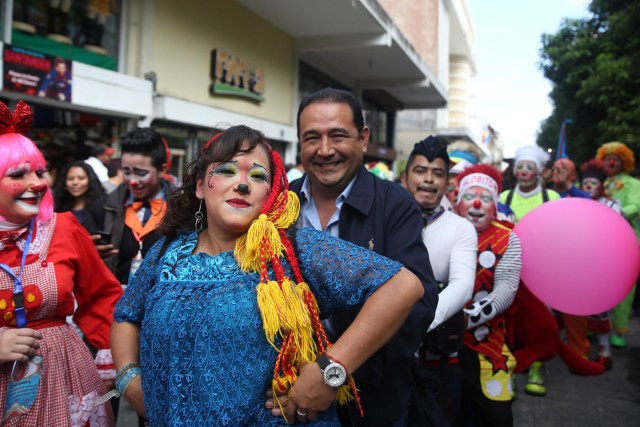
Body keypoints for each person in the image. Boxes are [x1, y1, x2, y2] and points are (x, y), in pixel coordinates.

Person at [110, 125, 425, 426]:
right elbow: (126, 314)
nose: (243, 183)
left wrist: (330, 372)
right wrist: (128, 379)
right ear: (199, 186)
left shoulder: (292, 250)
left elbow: (403, 286)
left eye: (257, 176)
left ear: (271, 194)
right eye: (227, 171)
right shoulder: (167, 251)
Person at [288, 88, 438, 427]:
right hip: (288, 395)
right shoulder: (280, 202)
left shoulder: (394, 204)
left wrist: (334, 373)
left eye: (338, 136)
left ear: (363, 137)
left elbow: (418, 303)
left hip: (372, 400)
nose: (325, 150)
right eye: (312, 138)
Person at [0, 100, 122, 425]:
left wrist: (110, 359)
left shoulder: (64, 227)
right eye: (18, 174)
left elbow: (101, 296)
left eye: (39, 172)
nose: (36, 183)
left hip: (63, 375)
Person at [400, 136, 477, 426]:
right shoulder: (386, 219)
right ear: (405, 177)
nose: (429, 180)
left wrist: (414, 325)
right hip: (387, 356)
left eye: (438, 173)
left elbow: (462, 285)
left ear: (447, 183)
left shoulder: (461, 228)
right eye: (421, 171)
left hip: (439, 358)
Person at [456, 164, 521, 427]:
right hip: (441, 348)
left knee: (495, 416)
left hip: (489, 344)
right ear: (457, 200)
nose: (477, 204)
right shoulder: (441, 227)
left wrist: (466, 318)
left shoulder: (508, 238)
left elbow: (506, 289)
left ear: (495, 206)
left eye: (485, 198)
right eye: (470, 196)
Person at [499, 145, 560, 396]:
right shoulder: (504, 198)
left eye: (529, 168)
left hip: (543, 269)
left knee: (540, 320)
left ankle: (536, 365)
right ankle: (509, 368)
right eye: (520, 167)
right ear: (514, 171)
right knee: (510, 318)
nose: (524, 172)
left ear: (539, 172)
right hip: (510, 267)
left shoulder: (552, 198)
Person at [85, 127, 170, 287]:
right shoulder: (101, 208)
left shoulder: (184, 210)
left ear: (162, 170)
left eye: (140, 173)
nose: (132, 180)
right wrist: (89, 253)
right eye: (126, 171)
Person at [595, 142, 640, 348]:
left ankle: (618, 329)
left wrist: (617, 210)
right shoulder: (599, 182)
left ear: (624, 162)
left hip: (626, 240)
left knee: (625, 285)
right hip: (600, 241)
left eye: (616, 159)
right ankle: (594, 324)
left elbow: (636, 205)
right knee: (597, 283)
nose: (611, 162)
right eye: (608, 158)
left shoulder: (632, 183)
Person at [580, 159, 622, 369]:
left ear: (601, 185)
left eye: (592, 183)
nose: (588, 187)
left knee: (601, 307)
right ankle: (577, 347)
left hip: (602, 264)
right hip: (578, 263)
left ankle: (604, 348)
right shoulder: (576, 202)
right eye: (585, 183)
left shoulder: (612, 205)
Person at [53, 160, 105, 228]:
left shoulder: (100, 207)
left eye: (81, 178)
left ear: (90, 181)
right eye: (70, 179)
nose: (75, 182)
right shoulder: (59, 207)